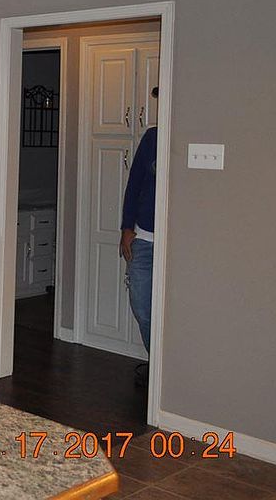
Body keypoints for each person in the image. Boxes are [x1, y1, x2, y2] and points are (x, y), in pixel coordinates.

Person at [120, 87, 158, 384]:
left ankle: (164, 375)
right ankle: (157, 365)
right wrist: (126, 229)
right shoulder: (152, 138)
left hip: (175, 243)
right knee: (142, 306)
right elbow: (134, 185)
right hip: (143, 238)